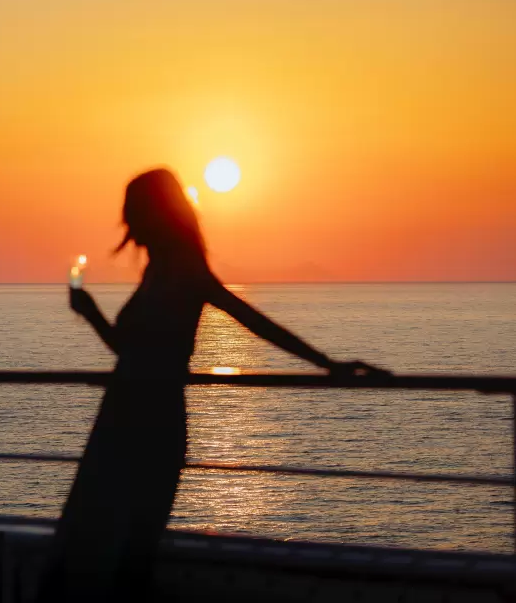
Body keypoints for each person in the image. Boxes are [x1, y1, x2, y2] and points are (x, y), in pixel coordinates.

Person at [36, 168, 386, 602]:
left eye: (133, 213)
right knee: (93, 542)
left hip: (153, 423)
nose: (127, 224)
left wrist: (327, 364)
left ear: (153, 216)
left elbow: (253, 321)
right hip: (118, 420)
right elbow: (129, 350)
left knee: (128, 551)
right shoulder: (157, 271)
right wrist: (89, 314)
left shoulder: (185, 269)